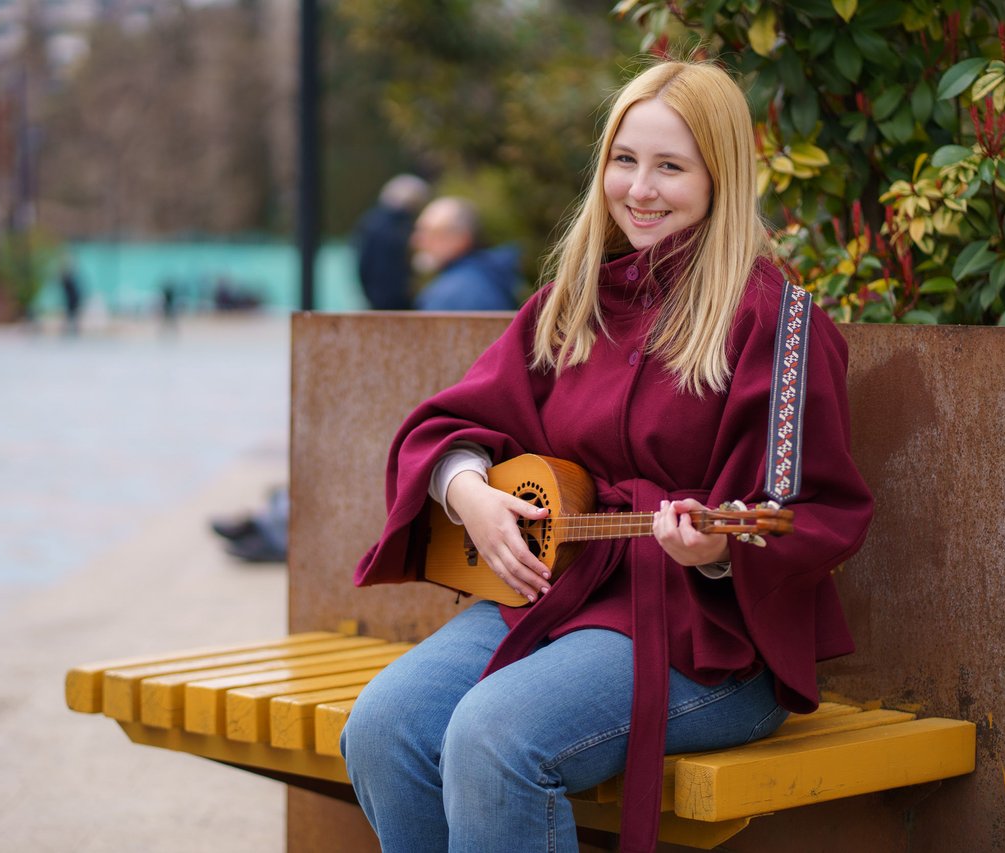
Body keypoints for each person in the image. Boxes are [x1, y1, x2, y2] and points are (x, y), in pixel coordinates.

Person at [340, 59, 875, 853]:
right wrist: (470, 495)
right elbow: (450, 422)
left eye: (671, 166)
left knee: (494, 737)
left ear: (720, 176)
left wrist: (720, 553)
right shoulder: (570, 304)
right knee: (386, 725)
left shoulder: (778, 322)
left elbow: (815, 513)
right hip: (556, 599)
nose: (641, 188)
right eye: (625, 161)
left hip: (710, 646)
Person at [411, 196, 520, 311]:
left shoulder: (452, 294)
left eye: (430, 232)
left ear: (462, 239)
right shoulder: (490, 275)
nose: (417, 241)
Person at [354, 174, 432, 310]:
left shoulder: (370, 221)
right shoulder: (401, 226)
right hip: (398, 300)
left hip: (376, 297)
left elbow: (363, 266)